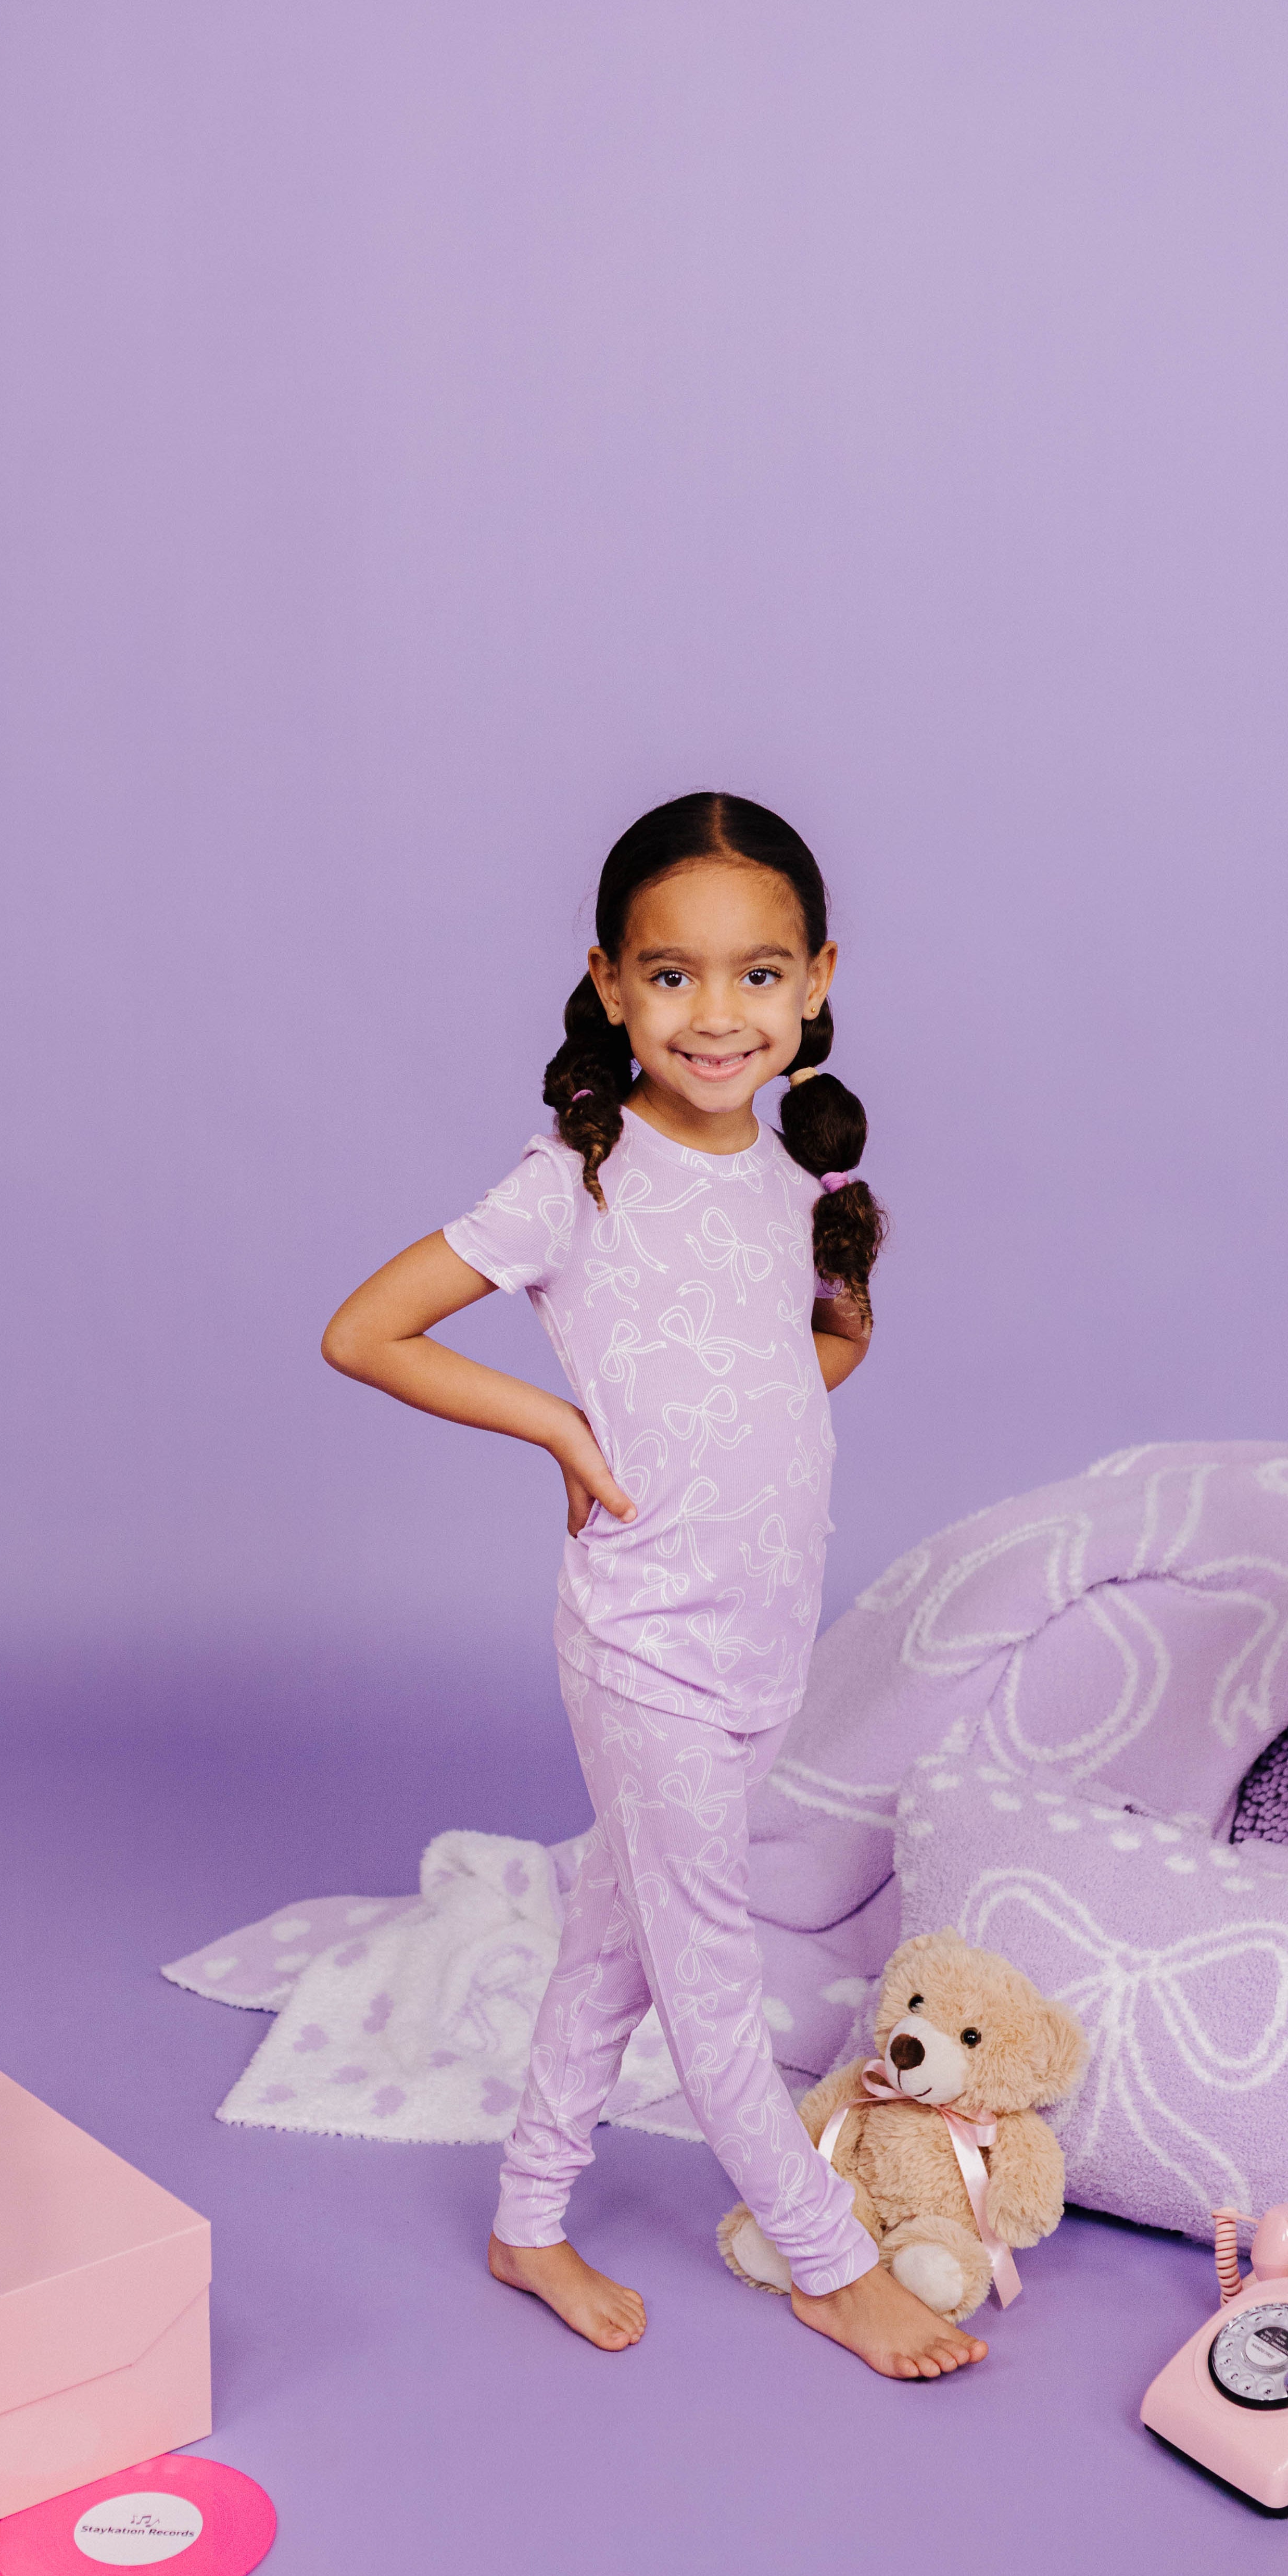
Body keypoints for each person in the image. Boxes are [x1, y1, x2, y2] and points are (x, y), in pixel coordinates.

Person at [322, 793, 982, 2379]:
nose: (717, 1012)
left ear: (817, 979)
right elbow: (367, 1330)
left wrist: (785, 1375)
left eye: (759, 975)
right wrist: (556, 1417)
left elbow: (824, 1350)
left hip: (765, 1638)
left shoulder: (791, 1182)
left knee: (616, 1930)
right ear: (612, 984)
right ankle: (826, 2261)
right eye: (672, 975)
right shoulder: (575, 1177)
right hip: (643, 1640)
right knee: (700, 1963)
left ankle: (529, 2218)